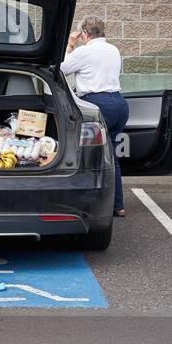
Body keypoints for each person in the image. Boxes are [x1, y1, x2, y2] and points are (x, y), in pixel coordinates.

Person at [61, 16, 128, 217]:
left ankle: (89, 205)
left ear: (84, 34)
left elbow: (61, 69)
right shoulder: (113, 50)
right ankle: (118, 206)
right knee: (112, 157)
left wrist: (70, 45)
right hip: (119, 104)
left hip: (97, 105)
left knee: (90, 157)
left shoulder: (84, 51)